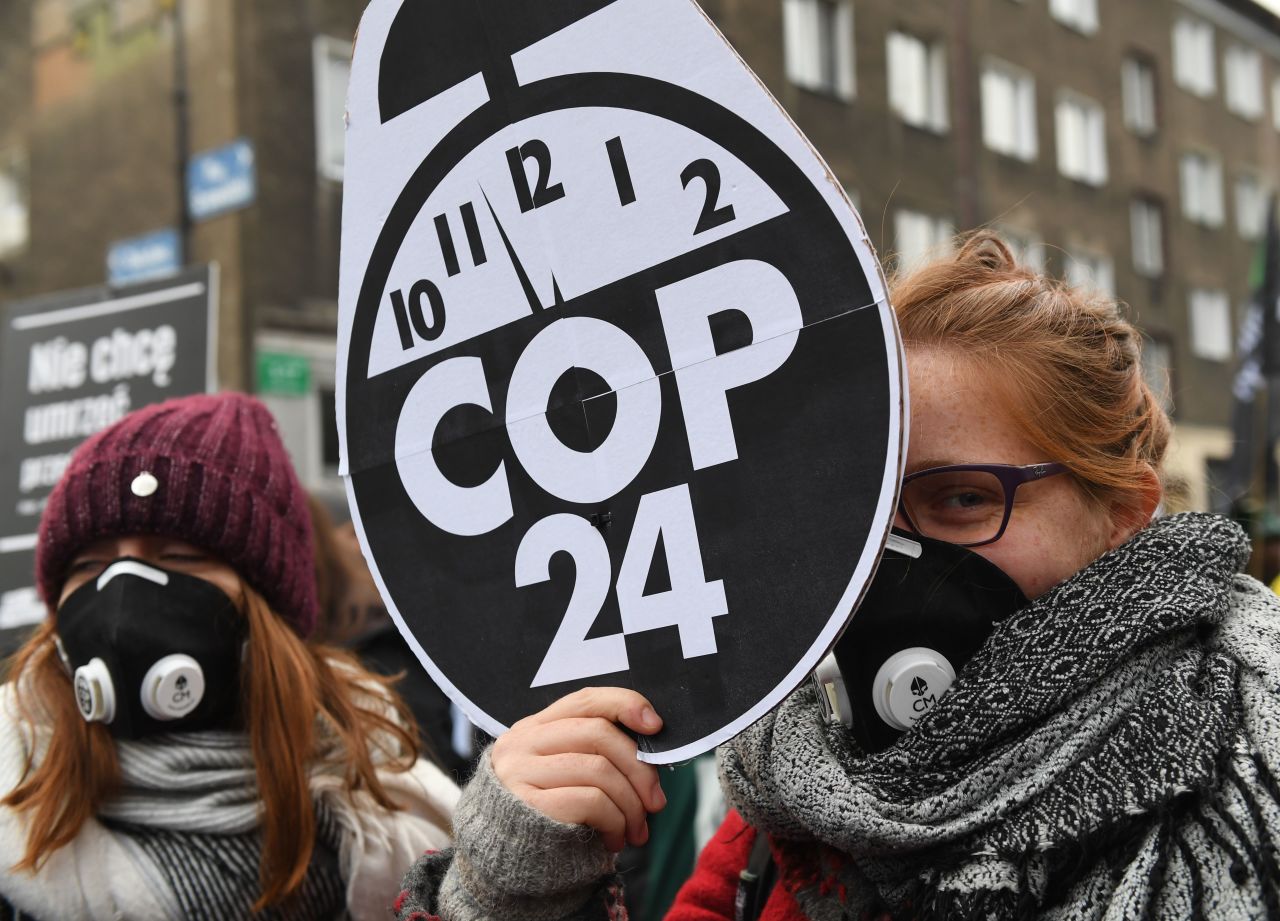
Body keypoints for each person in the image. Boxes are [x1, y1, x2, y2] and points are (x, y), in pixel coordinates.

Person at [391, 232, 1280, 920]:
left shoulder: (1251, 763)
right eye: (855, 511)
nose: (891, 559)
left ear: (1124, 509)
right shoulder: (784, 813)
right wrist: (516, 891)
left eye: (962, 499)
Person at [0, 392, 458, 920]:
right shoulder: (15, 800)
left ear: (269, 608)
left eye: (180, 556)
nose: (121, 593)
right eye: (88, 565)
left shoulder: (388, 810)